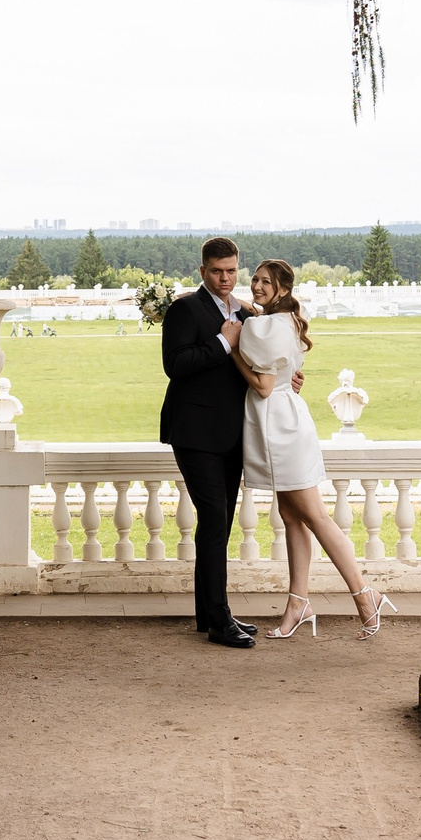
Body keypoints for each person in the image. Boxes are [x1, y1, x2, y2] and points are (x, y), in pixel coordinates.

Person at [233, 259, 394, 640]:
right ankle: (298, 603)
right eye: (254, 279)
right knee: (290, 516)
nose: (256, 286)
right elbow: (252, 313)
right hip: (283, 422)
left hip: (281, 428)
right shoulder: (281, 319)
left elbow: (263, 387)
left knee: (315, 517)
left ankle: (364, 595)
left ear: (283, 289)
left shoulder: (265, 328)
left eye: (265, 282)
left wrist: (232, 350)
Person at [160, 238, 260, 647]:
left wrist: (285, 377)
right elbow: (176, 365)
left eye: (232, 270)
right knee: (216, 520)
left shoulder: (246, 312)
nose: (225, 278)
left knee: (218, 523)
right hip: (194, 432)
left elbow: (255, 365)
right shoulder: (184, 309)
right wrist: (223, 342)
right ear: (202, 271)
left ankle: (208, 614)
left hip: (233, 433)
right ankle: (220, 620)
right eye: (217, 271)